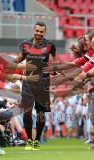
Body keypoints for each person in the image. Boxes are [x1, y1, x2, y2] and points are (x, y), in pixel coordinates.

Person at [14, 22, 57, 150]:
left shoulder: (50, 45)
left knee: (40, 114)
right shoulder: (25, 44)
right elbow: (19, 58)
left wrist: (54, 68)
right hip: (28, 82)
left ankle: (37, 140)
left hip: (43, 83)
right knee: (27, 113)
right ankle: (29, 141)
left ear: (45, 33)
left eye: (41, 32)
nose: (38, 33)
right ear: (34, 30)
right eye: (37, 31)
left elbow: (54, 60)